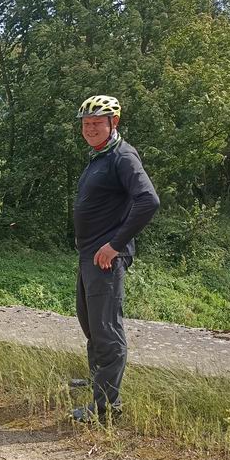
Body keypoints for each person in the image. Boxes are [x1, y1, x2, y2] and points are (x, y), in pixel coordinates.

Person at [70, 95, 160, 423]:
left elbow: (148, 200)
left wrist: (114, 244)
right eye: (86, 124)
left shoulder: (123, 156)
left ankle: (107, 408)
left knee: (106, 330)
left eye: (97, 123)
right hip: (89, 257)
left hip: (107, 259)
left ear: (114, 123)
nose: (90, 128)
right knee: (91, 324)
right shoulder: (99, 157)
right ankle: (99, 384)